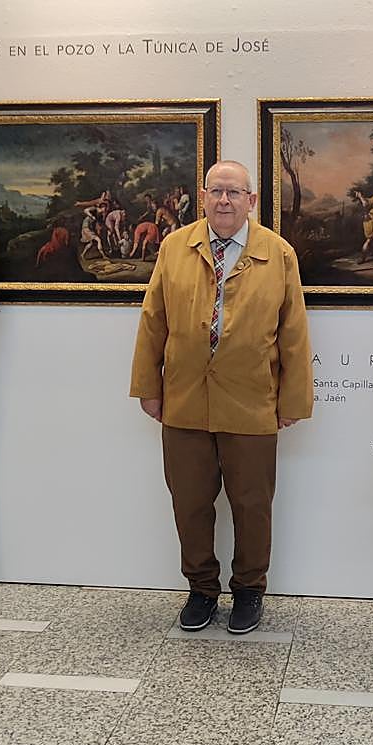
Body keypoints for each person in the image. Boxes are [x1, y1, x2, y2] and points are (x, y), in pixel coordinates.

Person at [130, 159, 313, 634]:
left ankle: (250, 590)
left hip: (253, 400)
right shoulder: (175, 246)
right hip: (184, 398)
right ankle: (201, 589)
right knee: (189, 502)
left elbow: (294, 332)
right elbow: (153, 320)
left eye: (234, 193)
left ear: (251, 200)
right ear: (203, 197)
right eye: (216, 191)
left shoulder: (278, 253)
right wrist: (148, 387)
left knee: (252, 504)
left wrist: (292, 401)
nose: (224, 200)